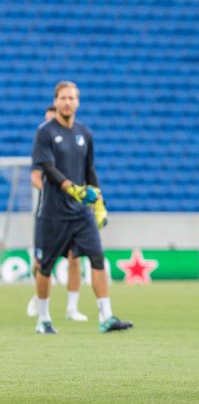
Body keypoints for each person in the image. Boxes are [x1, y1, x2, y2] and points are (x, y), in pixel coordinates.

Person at [31, 81, 132, 334]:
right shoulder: (45, 132)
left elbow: (89, 171)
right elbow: (48, 169)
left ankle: (106, 317)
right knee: (45, 266)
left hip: (80, 213)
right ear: (55, 101)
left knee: (97, 258)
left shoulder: (85, 133)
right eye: (63, 98)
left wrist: (99, 203)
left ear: (77, 102)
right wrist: (73, 189)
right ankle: (43, 318)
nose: (67, 102)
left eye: (71, 98)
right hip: (53, 213)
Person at [27, 105, 87, 322]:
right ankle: (39, 295)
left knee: (74, 258)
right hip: (48, 213)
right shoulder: (41, 147)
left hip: (72, 211)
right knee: (41, 262)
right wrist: (51, 189)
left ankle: (72, 308)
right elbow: (35, 176)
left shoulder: (74, 147)